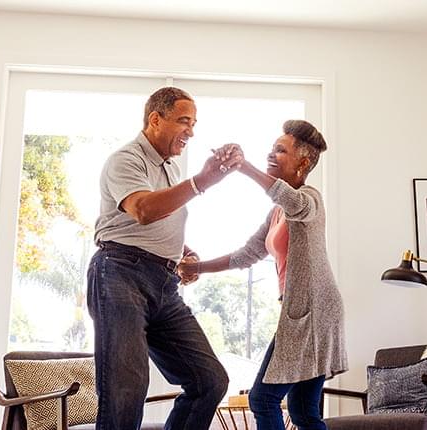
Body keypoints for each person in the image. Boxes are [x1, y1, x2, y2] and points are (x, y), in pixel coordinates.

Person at [178, 120, 348, 430]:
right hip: (303, 314)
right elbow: (247, 254)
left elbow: (294, 201)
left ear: (304, 162)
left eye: (281, 150)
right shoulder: (275, 213)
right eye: (271, 149)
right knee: (304, 412)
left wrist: (244, 167)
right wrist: (196, 267)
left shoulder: (310, 199)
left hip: (315, 314)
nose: (272, 154)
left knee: (262, 399)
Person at [88, 87, 240, 429]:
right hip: (120, 273)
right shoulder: (125, 160)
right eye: (184, 121)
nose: (191, 131)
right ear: (155, 119)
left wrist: (182, 253)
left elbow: (161, 220)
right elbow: (142, 209)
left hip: (163, 285)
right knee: (126, 387)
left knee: (209, 380)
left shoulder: (168, 169)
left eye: (194, 123)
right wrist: (202, 181)